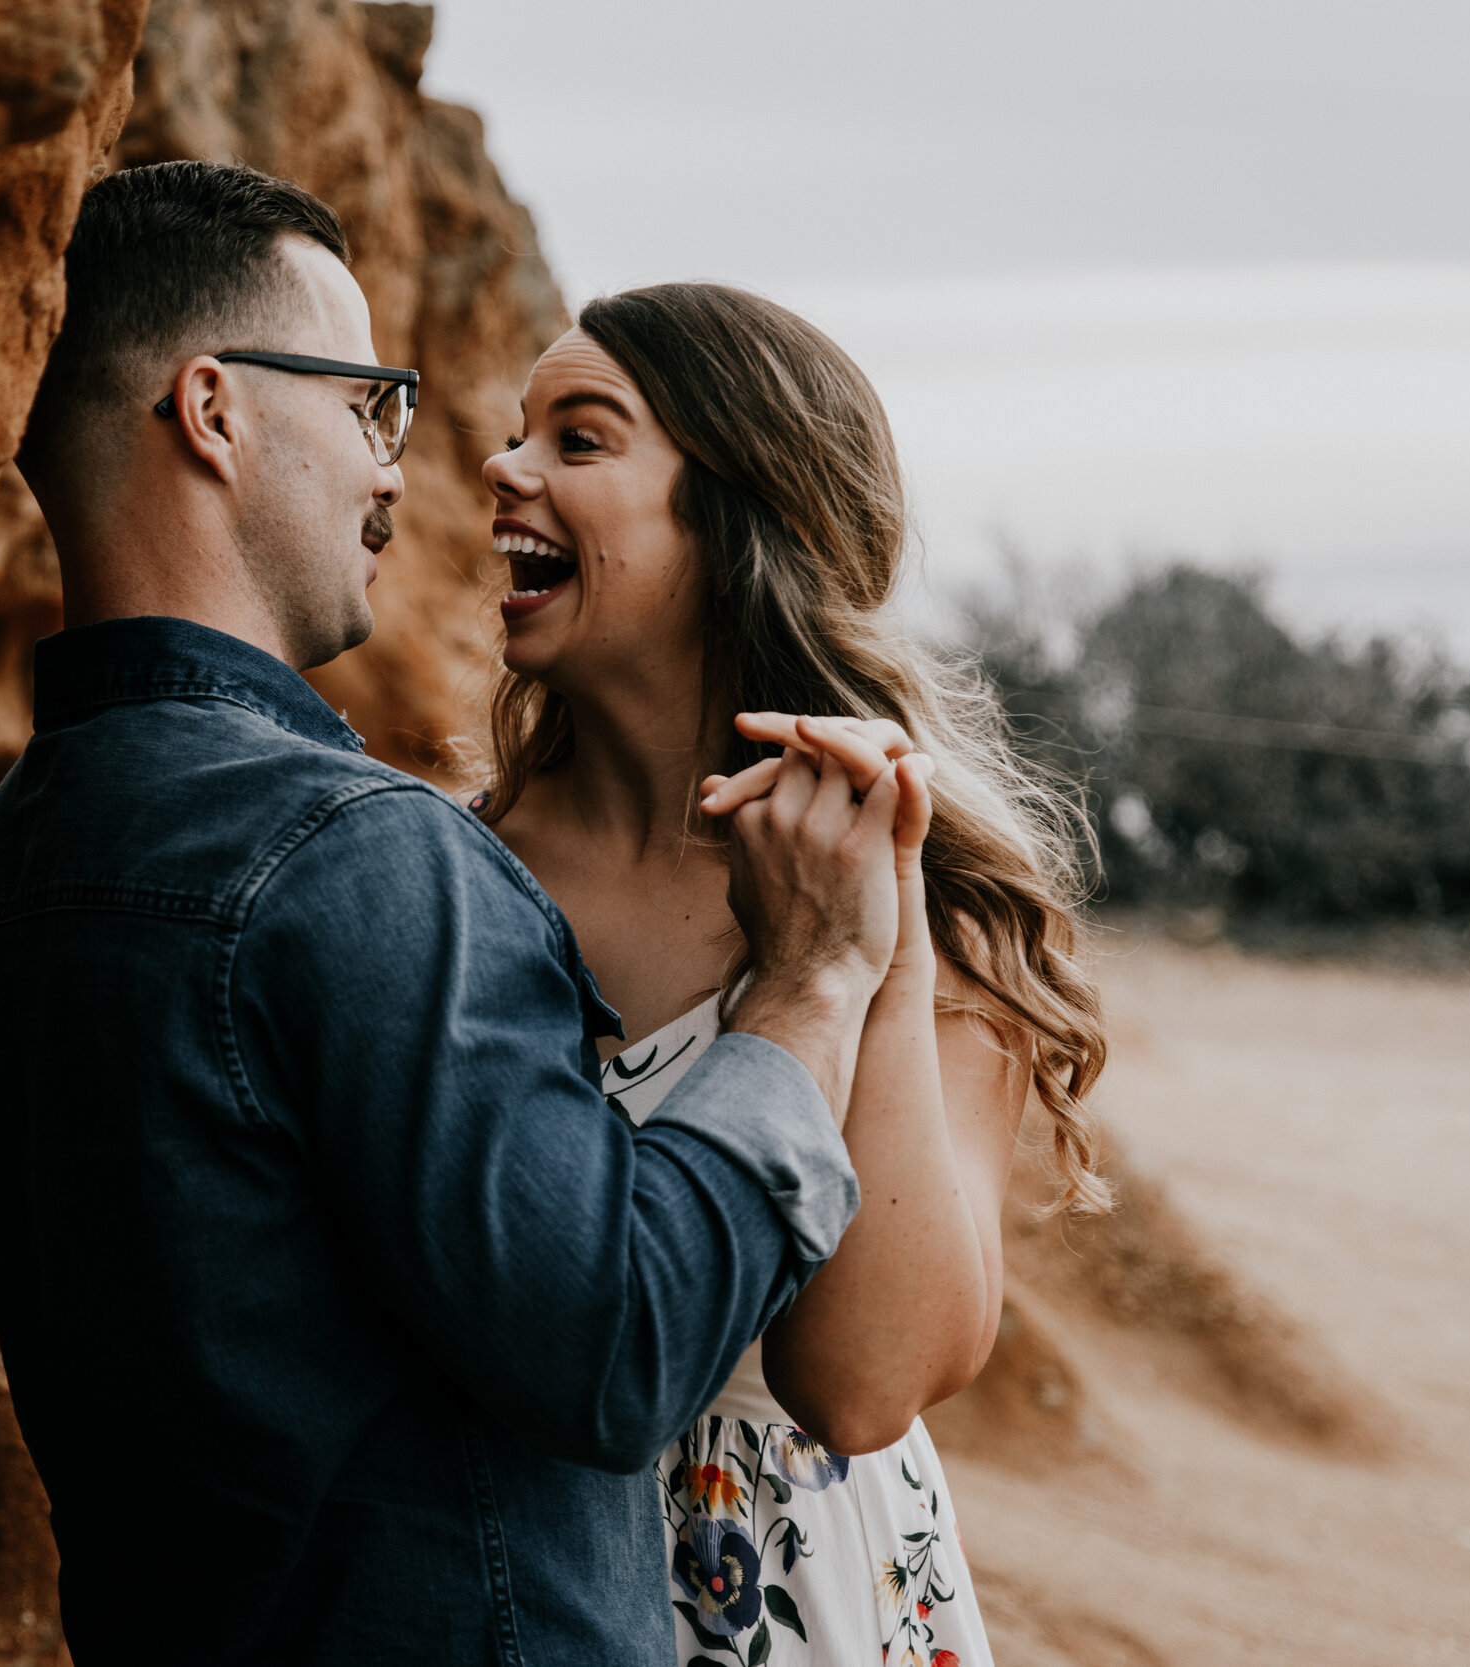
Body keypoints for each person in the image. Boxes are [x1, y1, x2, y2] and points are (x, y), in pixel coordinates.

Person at [0, 161, 927, 1664]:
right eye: (363, 409)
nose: (403, 472)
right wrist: (814, 980)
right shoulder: (355, 854)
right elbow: (622, 1342)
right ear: (213, 411)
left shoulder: (16, 858)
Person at [473, 283, 1111, 1666]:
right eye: (520, 434)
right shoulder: (458, 876)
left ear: (734, 517)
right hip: (518, 1585)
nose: (502, 469)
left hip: (814, 1610)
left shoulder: (943, 894)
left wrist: (859, 954)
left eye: (579, 441)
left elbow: (867, 1382)